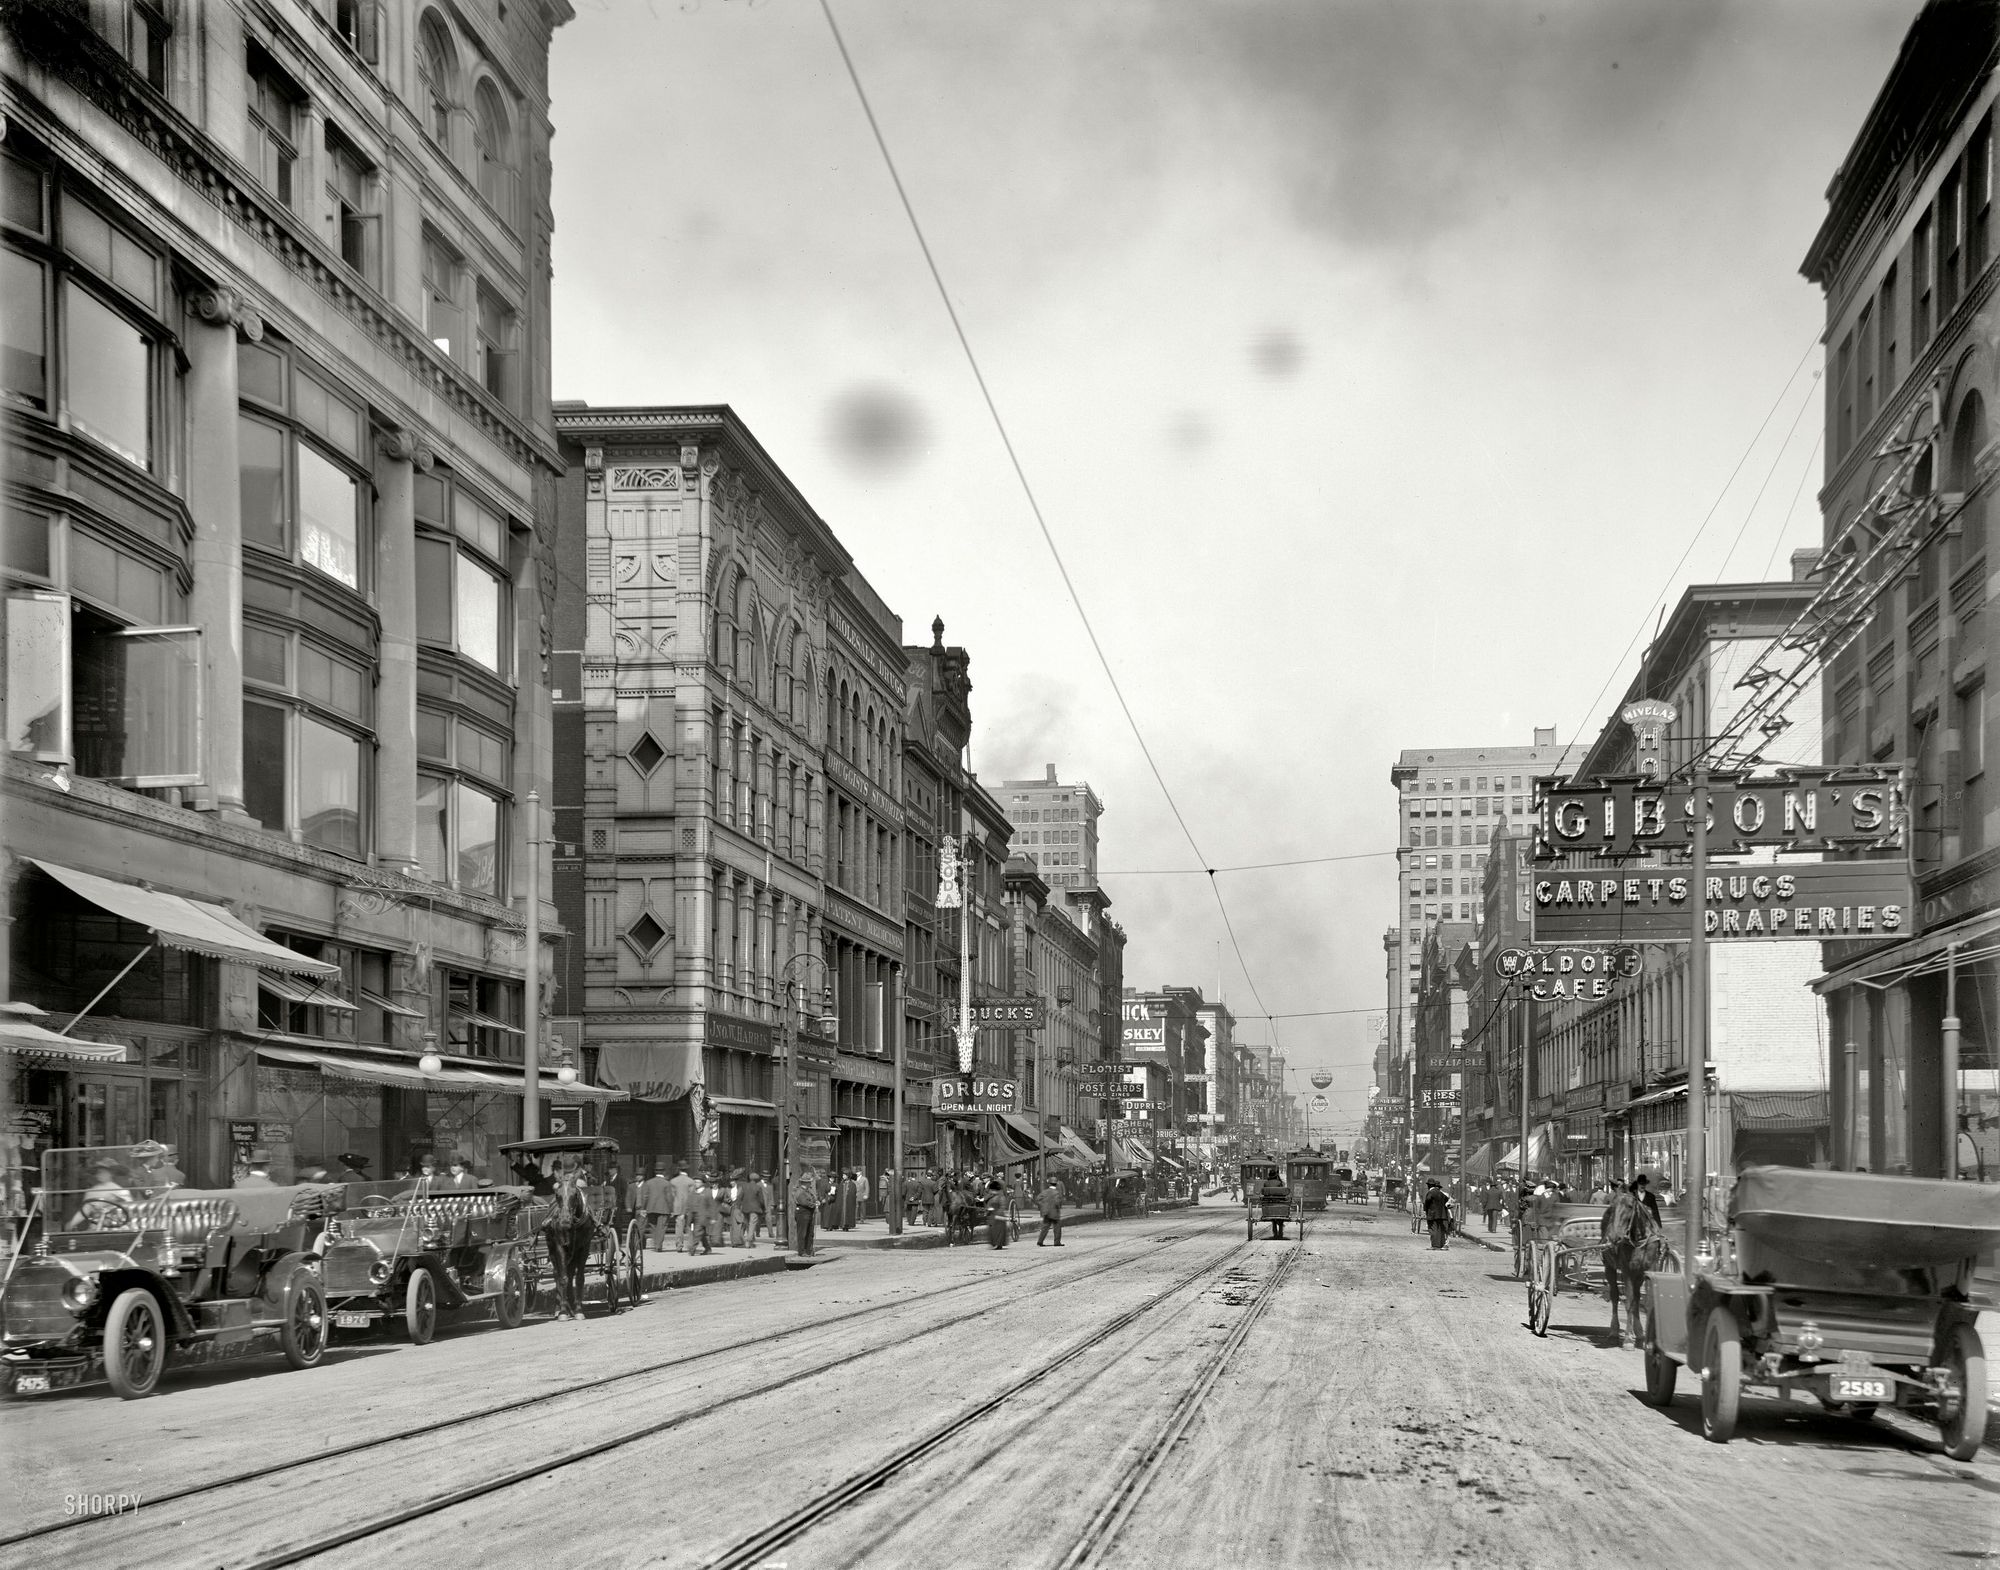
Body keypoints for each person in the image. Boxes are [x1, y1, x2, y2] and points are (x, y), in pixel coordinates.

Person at [66, 1160, 135, 1229]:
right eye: (97, 1173)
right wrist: (72, 1224)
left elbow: (129, 1210)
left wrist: (114, 1202)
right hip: (97, 1226)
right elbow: (85, 1210)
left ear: (111, 1173)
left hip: (116, 1227)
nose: (98, 1175)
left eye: (102, 1172)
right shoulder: (92, 1191)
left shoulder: (121, 1191)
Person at [638, 1165, 673, 1252]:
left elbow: (645, 1197)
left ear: (655, 1172)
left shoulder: (648, 1183)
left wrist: (643, 1208)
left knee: (653, 1227)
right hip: (664, 1209)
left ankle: (656, 1244)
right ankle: (658, 1245)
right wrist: (671, 1209)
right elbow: (669, 1197)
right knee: (661, 1228)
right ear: (663, 1172)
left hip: (651, 1208)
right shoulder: (667, 1183)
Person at [789, 1166, 819, 1256]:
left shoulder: (808, 1191)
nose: (810, 1184)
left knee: (810, 1233)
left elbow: (812, 1198)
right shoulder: (800, 1192)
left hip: (809, 1213)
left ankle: (808, 1250)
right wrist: (814, 1204)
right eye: (809, 1182)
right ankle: (802, 1251)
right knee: (802, 1233)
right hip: (802, 1213)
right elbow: (804, 1202)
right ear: (805, 1183)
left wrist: (816, 1201)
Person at [668, 1162, 697, 1252]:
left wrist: (671, 1209)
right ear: (687, 1169)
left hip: (677, 1207)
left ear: (679, 1169)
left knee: (679, 1227)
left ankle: (679, 1246)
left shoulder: (673, 1181)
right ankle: (691, 1245)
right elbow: (692, 1196)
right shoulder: (691, 1181)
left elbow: (671, 1196)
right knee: (690, 1227)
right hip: (689, 1207)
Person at [1421, 1178, 1452, 1250]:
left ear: (1428, 1185)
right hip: (1441, 1215)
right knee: (1439, 1230)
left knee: (1433, 1229)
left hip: (1432, 1214)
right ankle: (1440, 1245)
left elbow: (1427, 1201)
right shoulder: (1440, 1193)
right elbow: (1446, 1199)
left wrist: (1425, 1209)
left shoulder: (1430, 1192)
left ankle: (1434, 1245)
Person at [1035, 1176, 1065, 1246]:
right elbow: (1057, 1202)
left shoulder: (1045, 1192)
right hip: (1054, 1213)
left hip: (1046, 1212)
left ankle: (1040, 1241)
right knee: (1057, 1228)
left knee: (1045, 1228)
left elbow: (1038, 1199)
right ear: (1056, 1184)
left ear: (1049, 1184)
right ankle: (1057, 1242)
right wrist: (1059, 1206)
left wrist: (1043, 1205)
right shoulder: (1056, 1192)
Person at [986, 1178, 1010, 1249]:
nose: (991, 1192)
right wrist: (988, 1209)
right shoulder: (992, 1197)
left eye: (992, 1190)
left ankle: (998, 1243)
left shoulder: (1001, 1197)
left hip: (999, 1216)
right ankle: (994, 1243)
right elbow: (989, 1205)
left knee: (998, 1230)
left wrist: (997, 1214)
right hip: (992, 1216)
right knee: (992, 1230)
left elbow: (1002, 1207)